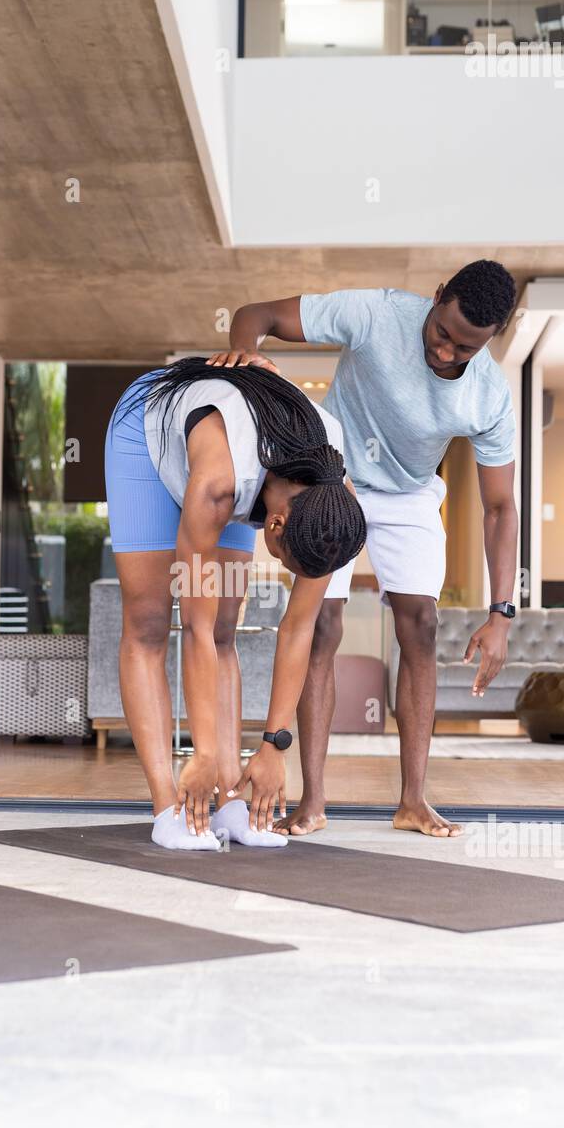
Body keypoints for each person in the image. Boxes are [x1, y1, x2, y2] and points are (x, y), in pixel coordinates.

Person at [209, 260, 520, 840]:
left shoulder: (489, 396)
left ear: (490, 341)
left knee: (421, 625)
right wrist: (247, 355)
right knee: (323, 625)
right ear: (436, 298)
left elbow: (500, 507)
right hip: (334, 478)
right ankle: (313, 802)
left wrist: (501, 612)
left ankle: (413, 801)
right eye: (442, 334)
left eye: (466, 349)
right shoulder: (377, 313)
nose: (447, 354)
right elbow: (259, 316)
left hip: (408, 495)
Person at [104, 355, 366, 851]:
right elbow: (194, 629)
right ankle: (168, 808)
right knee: (150, 620)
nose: (295, 577)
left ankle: (227, 804)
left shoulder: (333, 508)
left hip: (239, 459)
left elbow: (297, 630)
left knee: (227, 623)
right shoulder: (219, 487)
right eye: (291, 564)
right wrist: (199, 752)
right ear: (275, 525)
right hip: (147, 431)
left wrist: (274, 744)